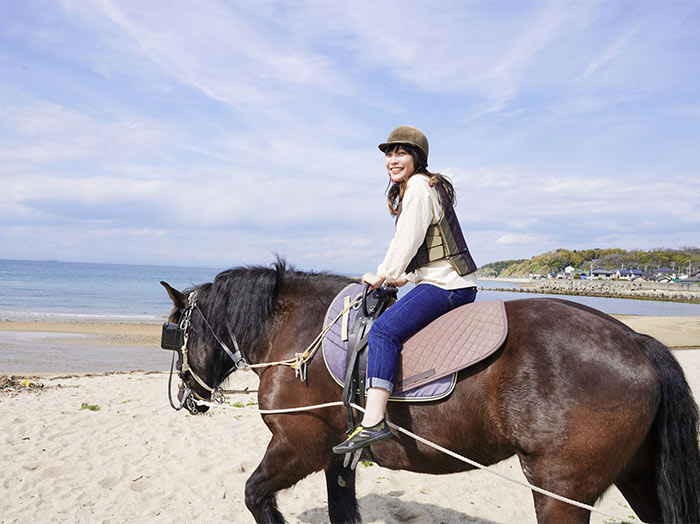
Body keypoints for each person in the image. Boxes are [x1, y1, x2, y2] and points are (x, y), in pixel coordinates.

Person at [333, 125, 478, 454]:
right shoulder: (426, 187)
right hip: (445, 280)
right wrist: (405, 279)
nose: (392, 160)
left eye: (401, 153)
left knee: (383, 330)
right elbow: (430, 252)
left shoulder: (416, 187)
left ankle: (373, 420)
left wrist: (384, 274)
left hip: (447, 286)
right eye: (388, 154)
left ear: (417, 158)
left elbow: (406, 241)